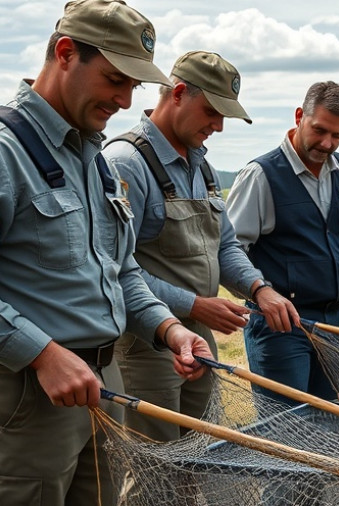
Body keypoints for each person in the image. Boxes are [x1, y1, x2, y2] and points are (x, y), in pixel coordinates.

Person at [0, 1, 212, 504]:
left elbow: (120, 270)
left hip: (104, 385)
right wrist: (41, 353)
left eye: (134, 86)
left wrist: (171, 329)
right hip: (29, 400)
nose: (123, 99)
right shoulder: (8, 152)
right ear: (66, 53)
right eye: (115, 79)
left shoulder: (93, 157)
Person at [103, 51, 300, 441]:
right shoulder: (126, 163)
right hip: (147, 345)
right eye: (212, 111)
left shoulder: (201, 165)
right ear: (177, 94)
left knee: (197, 456)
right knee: (154, 471)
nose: (219, 127)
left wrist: (260, 290)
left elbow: (224, 245)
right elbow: (115, 268)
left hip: (198, 340)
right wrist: (194, 305)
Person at [226, 81, 339, 403]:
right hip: (283, 325)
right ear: (300, 115)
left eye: (337, 135)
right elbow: (229, 249)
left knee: (328, 419)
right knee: (288, 428)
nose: (327, 143)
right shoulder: (261, 175)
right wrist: (260, 294)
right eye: (319, 130)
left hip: (336, 323)